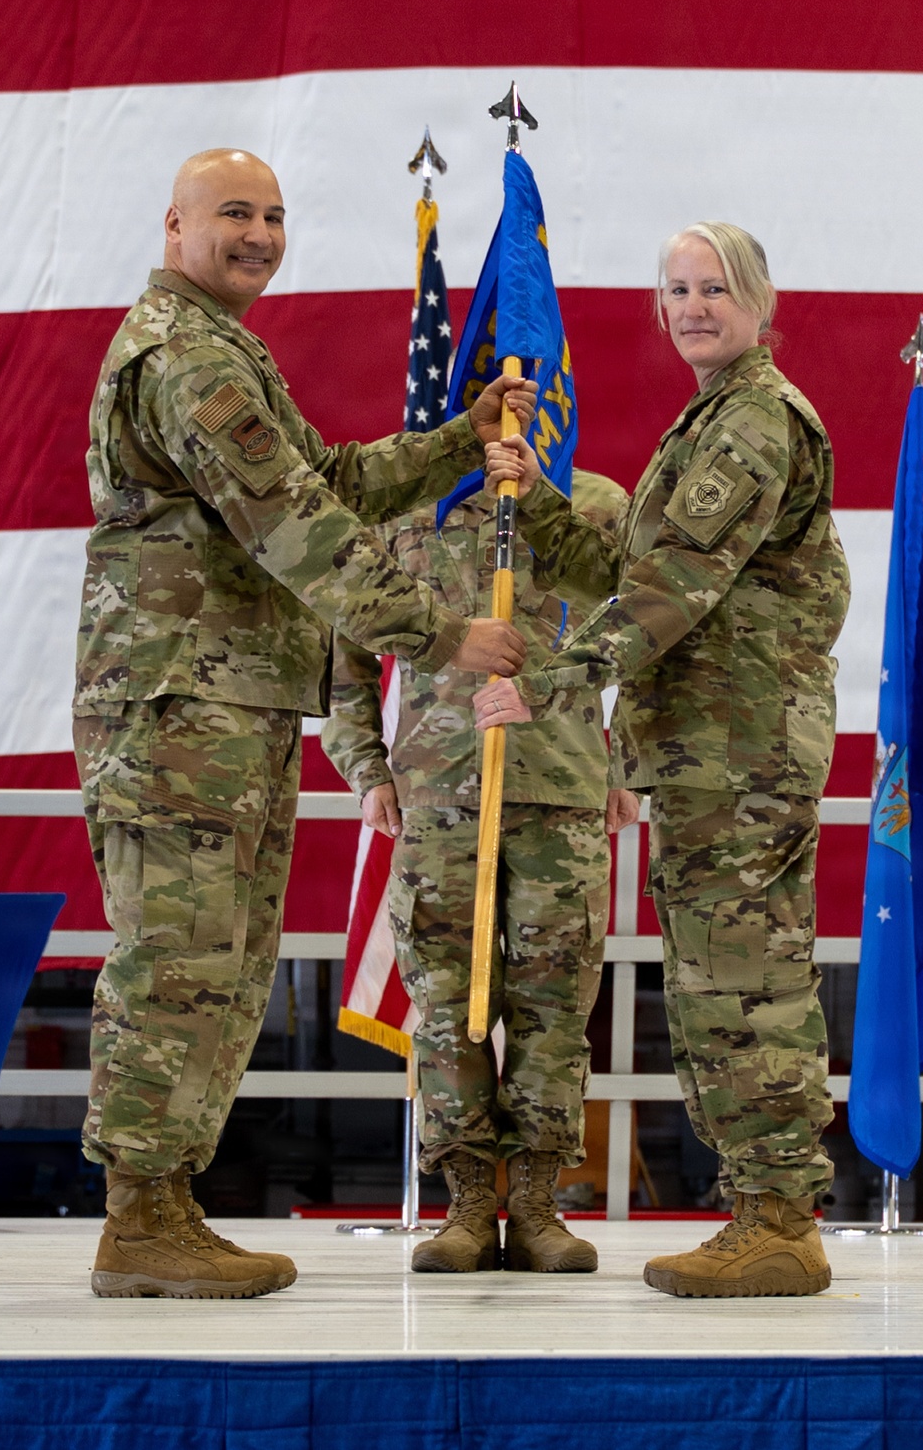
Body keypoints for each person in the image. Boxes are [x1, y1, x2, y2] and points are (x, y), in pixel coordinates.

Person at [73, 147, 536, 1299]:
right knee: (179, 962)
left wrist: (451, 439)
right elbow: (298, 530)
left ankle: (164, 1203)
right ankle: (138, 1213)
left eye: (274, 215)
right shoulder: (186, 361)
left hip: (224, 704)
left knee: (223, 964)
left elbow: (320, 477)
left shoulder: (226, 351)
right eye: (233, 213)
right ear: (173, 227)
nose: (259, 234)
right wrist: (443, 634)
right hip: (179, 707)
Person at [474, 222, 851, 1298]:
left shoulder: (753, 423)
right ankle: (760, 1207)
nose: (692, 306)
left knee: (746, 980)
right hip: (703, 755)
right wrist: (538, 498)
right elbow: (628, 562)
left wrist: (543, 681)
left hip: (738, 753)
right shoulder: (707, 420)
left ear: (759, 301)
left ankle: (781, 1216)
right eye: (676, 289)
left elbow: (664, 591)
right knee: (711, 979)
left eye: (714, 289)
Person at [323, 470, 636, 1273]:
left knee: (554, 1009)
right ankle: (465, 1204)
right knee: (445, 1006)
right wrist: (367, 769)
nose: (512, 403)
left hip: (562, 792)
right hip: (437, 795)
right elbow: (348, 651)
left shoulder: (594, 506)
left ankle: (535, 1205)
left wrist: (628, 762)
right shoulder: (402, 514)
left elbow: (651, 632)